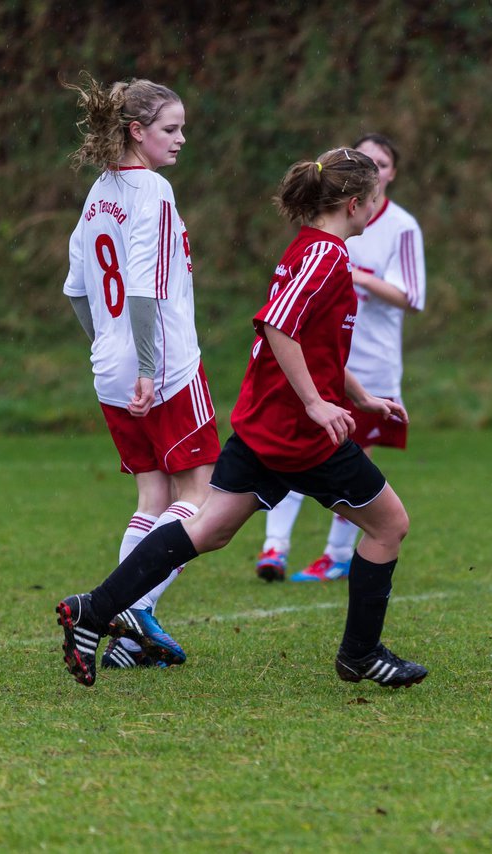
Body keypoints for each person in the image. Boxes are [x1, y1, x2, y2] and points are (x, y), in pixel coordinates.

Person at [56, 147, 428, 690]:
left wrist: (359, 396)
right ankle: (361, 654)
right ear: (354, 204)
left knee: (207, 528)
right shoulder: (327, 257)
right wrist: (316, 404)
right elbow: (278, 329)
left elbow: (314, 343)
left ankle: (94, 609)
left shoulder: (309, 247)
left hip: (264, 425)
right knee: (390, 525)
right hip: (299, 435)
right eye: (373, 201)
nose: (376, 210)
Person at [61, 73, 219, 670]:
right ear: (137, 131)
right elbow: (146, 284)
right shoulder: (152, 189)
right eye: (170, 129)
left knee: (152, 494)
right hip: (166, 367)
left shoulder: (99, 190)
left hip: (110, 367)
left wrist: (110, 345)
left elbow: (77, 288)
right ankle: (122, 608)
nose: (181, 140)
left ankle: (128, 644)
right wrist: (149, 366)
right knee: (199, 497)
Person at [255, 132, 426, 584]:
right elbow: (277, 321)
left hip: (364, 361)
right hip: (310, 367)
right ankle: (276, 546)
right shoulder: (325, 247)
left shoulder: (396, 227)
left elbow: (413, 295)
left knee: (336, 461)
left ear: (391, 172)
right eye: (365, 160)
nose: (375, 167)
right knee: (309, 456)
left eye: (382, 161)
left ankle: (335, 552)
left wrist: (361, 278)